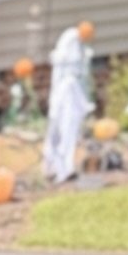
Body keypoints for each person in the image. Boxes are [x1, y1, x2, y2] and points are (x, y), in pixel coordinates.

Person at [43, 19, 94, 182]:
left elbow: (83, 76)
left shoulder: (81, 51)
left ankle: (65, 167)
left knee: (69, 131)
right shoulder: (69, 41)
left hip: (72, 97)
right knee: (56, 130)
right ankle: (52, 166)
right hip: (63, 95)